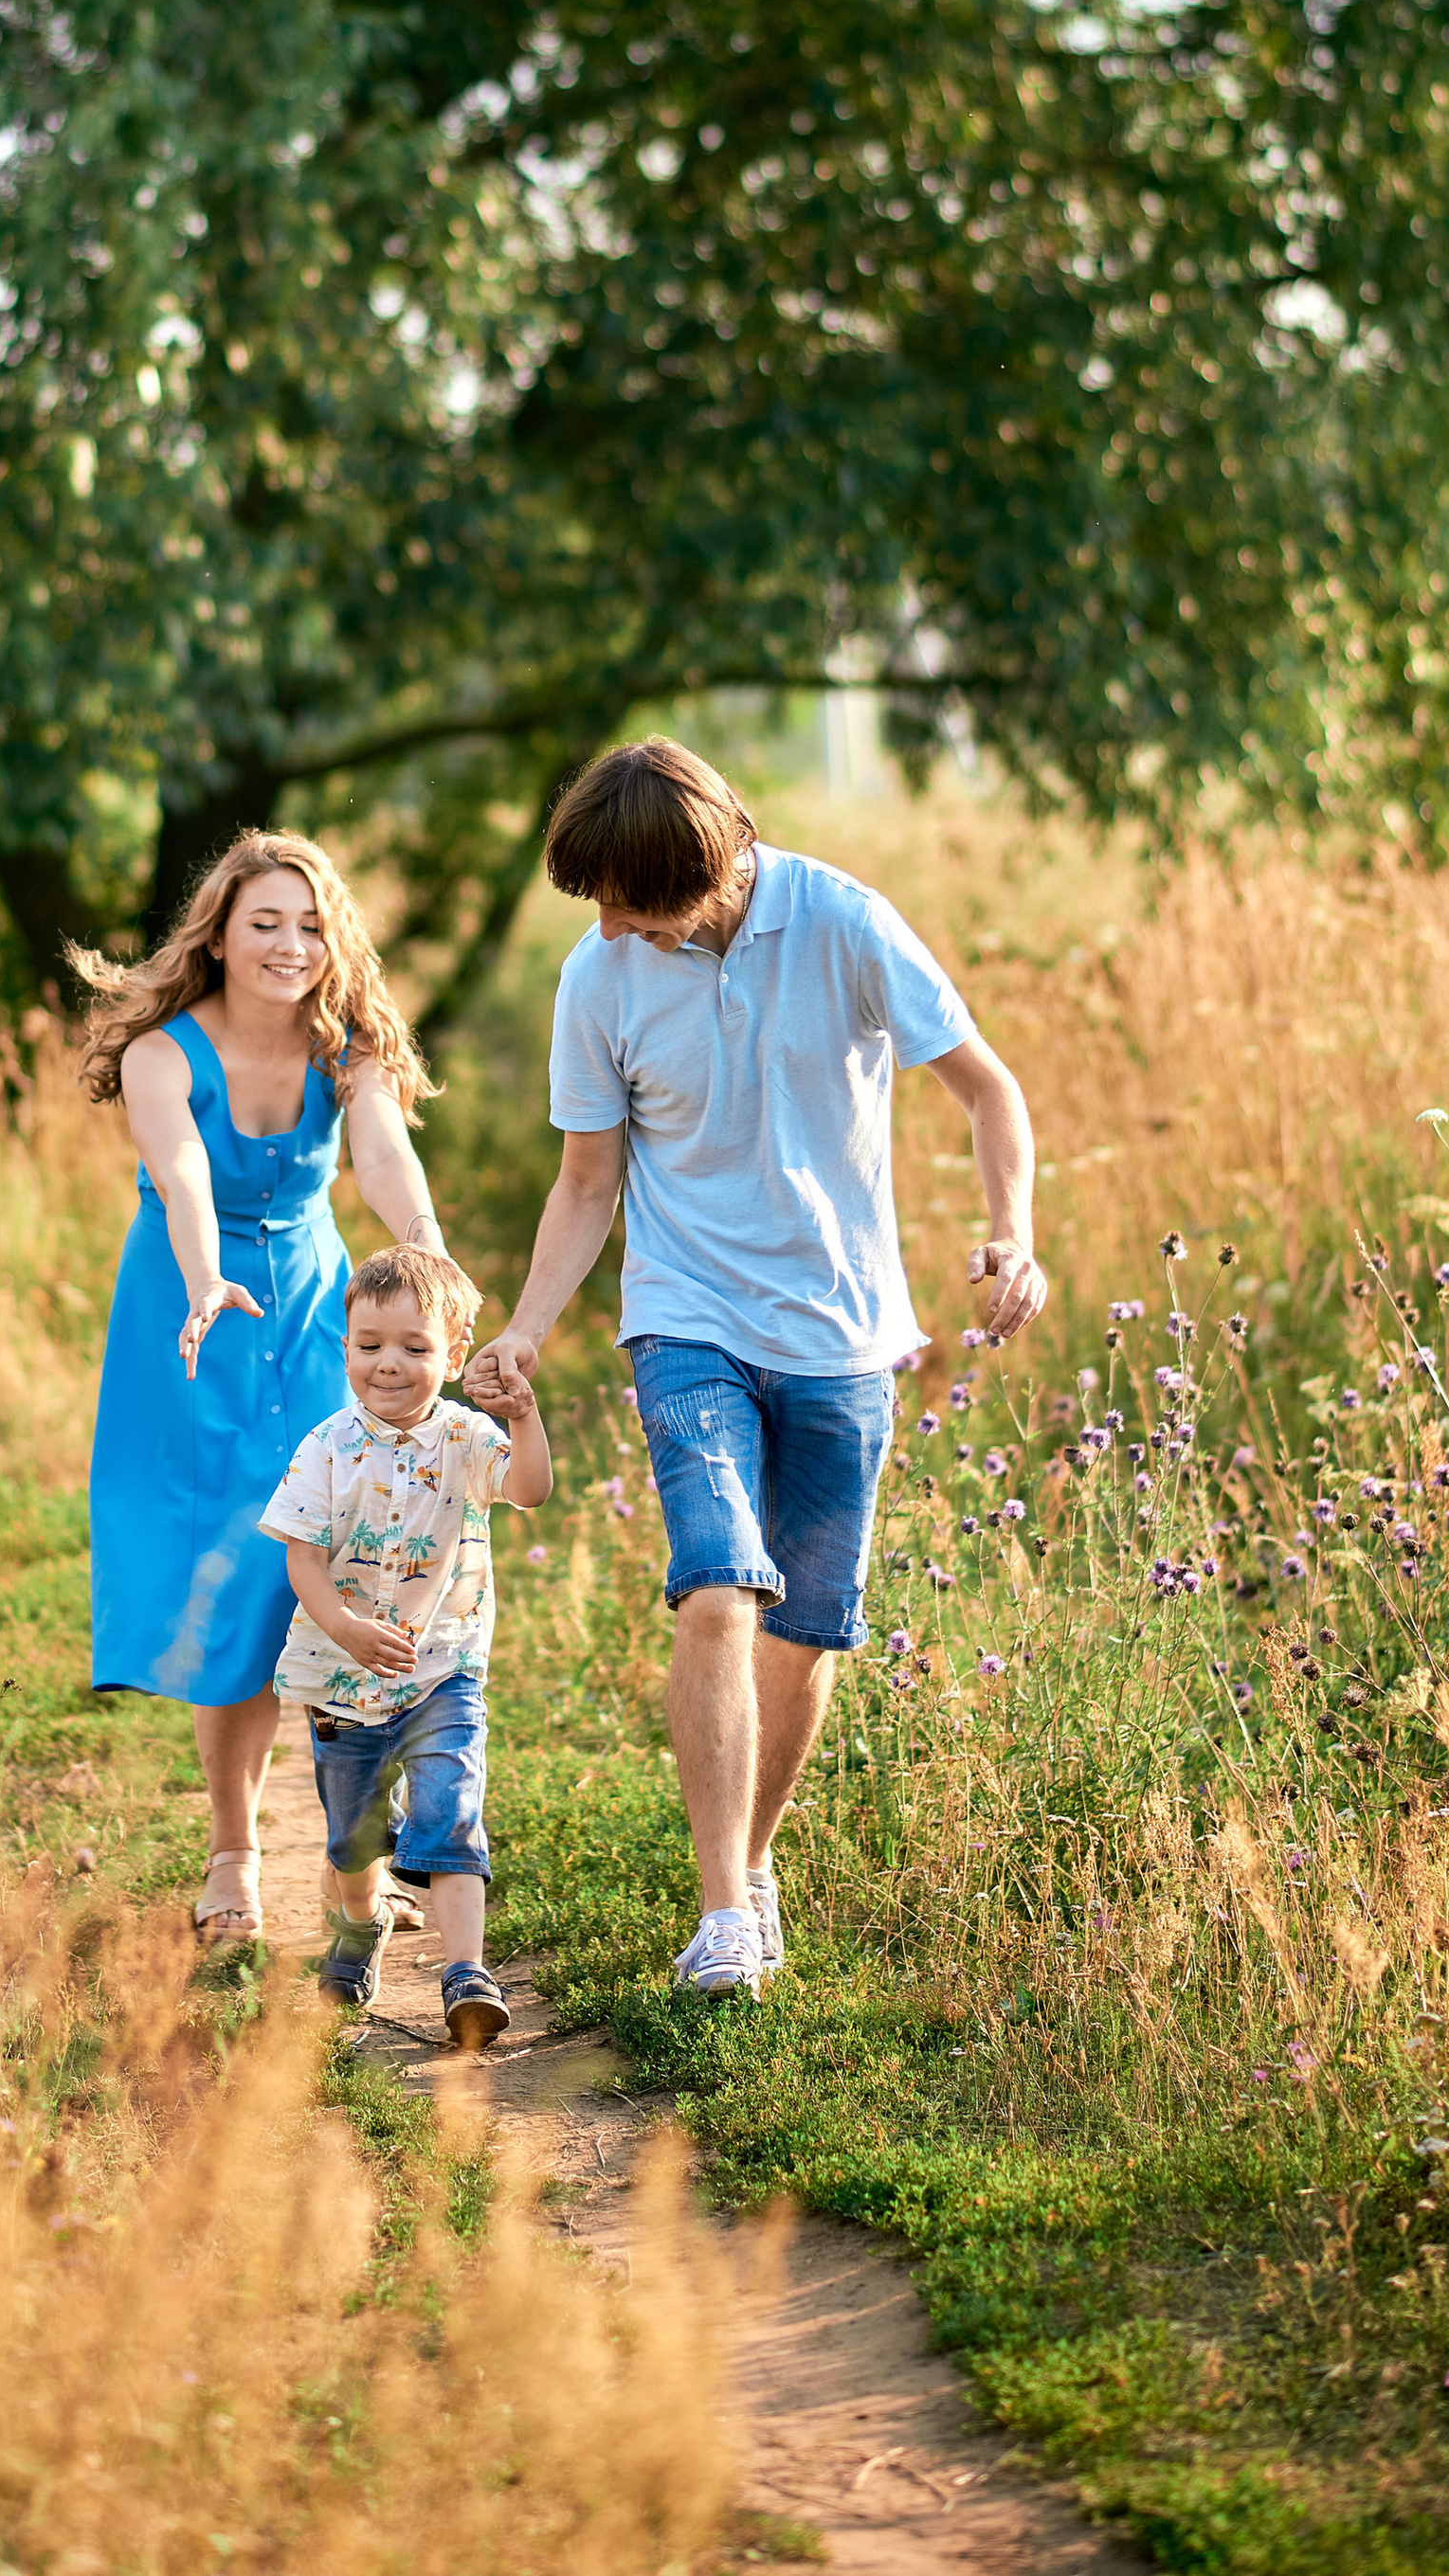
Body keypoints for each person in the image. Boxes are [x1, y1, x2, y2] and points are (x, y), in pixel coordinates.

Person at [466, 736, 1046, 2002]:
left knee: (804, 1633)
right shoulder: (600, 974)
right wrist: (526, 1323)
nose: (608, 924)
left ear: (716, 870)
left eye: (632, 901)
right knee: (721, 1589)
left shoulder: (843, 921)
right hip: (687, 1316)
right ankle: (723, 1910)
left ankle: (757, 1860)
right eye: (598, 903)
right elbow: (587, 1178)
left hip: (843, 1332)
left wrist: (1016, 1235)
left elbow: (988, 1089)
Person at [77, 833, 446, 1947]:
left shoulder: (350, 1046)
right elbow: (182, 1172)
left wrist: (424, 1251)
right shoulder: (162, 1052)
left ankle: (356, 1858)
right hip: (191, 1326)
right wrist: (203, 1277)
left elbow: (377, 1153)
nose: (290, 945)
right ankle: (234, 1854)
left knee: (351, 1568)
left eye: (310, 924)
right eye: (264, 923)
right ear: (221, 937)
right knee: (237, 1577)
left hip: (317, 1316)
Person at [263, 1241, 552, 2048]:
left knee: (453, 1810)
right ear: (346, 1347)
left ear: (455, 1355)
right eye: (370, 1346)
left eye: (416, 1349)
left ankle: (467, 1972)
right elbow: (303, 1558)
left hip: (443, 1668)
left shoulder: (468, 1438)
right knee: (354, 1838)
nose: (389, 1365)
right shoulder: (325, 1446)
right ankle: (360, 1928)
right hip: (340, 1674)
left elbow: (529, 1490)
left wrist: (522, 1418)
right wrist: (345, 1627)